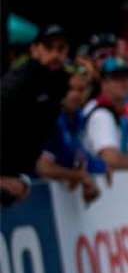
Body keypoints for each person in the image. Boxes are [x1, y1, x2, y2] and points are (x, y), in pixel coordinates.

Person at [1, 23, 70, 197]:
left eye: (61, 48)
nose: (55, 54)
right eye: (48, 47)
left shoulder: (60, 81)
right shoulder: (18, 82)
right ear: (35, 49)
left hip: (20, 174)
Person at [36, 66, 102, 203]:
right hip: (36, 198)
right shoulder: (50, 118)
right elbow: (43, 168)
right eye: (70, 89)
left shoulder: (78, 117)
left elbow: (81, 155)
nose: (76, 95)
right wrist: (78, 176)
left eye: (81, 90)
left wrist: (103, 167)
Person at [81, 57, 128, 178]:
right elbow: (110, 159)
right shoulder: (101, 114)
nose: (124, 82)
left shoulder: (120, 113)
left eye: (127, 77)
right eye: (117, 78)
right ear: (104, 82)